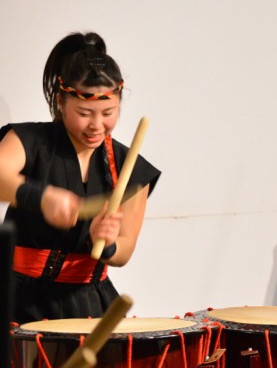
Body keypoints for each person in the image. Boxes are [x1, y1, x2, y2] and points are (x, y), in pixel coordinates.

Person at [0, 32, 160, 323]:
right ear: (61, 101)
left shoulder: (128, 166)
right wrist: (40, 196)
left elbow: (124, 251)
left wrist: (107, 242)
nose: (97, 126)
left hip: (89, 303)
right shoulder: (29, 140)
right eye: (85, 113)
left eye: (108, 112)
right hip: (18, 298)